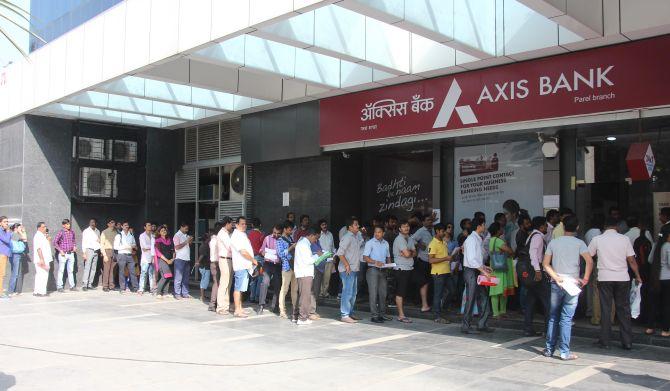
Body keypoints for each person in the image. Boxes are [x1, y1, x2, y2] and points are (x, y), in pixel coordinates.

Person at [542, 215, 594, 360]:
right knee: (566, 318)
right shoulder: (580, 243)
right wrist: (585, 279)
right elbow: (589, 262)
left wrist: (556, 277)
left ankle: (549, 349)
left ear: (563, 226)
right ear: (577, 227)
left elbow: (545, 264)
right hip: (572, 283)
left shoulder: (554, 242)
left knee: (553, 316)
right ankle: (564, 352)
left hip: (556, 283)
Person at [589, 217, 642, 350]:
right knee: (623, 309)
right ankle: (627, 342)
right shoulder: (624, 239)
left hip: (605, 277)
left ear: (604, 226)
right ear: (617, 227)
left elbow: (588, 256)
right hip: (622, 278)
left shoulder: (597, 239)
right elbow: (631, 260)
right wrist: (637, 275)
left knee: (606, 309)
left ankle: (605, 341)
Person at [461, 216, 494, 334]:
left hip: (476, 270)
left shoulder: (477, 239)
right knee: (471, 298)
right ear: (479, 226)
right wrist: (484, 270)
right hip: (471, 271)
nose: (485, 227)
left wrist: (484, 267)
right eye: (483, 225)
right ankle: (466, 325)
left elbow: (476, 258)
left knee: (483, 297)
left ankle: (482, 324)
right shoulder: (471, 239)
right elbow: (471, 260)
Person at [522, 216, 550, 336]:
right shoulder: (537, 237)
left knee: (530, 301)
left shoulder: (532, 235)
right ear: (541, 226)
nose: (547, 227)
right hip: (536, 272)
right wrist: (538, 271)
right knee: (547, 300)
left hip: (532, 272)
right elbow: (533, 254)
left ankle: (528, 328)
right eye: (545, 225)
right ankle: (549, 329)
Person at [229, 216, 258, 318]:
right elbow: (243, 251)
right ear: (236, 225)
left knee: (241, 288)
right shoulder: (236, 236)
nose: (244, 225)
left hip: (245, 265)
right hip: (241, 265)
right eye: (242, 224)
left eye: (245, 224)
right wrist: (253, 260)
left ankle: (240, 307)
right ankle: (237, 310)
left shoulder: (243, 234)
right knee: (238, 288)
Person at [337, 217, 363, 323]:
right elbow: (339, 253)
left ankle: (350, 313)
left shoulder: (356, 236)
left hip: (354, 269)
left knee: (353, 293)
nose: (358, 226)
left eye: (358, 224)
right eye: (356, 225)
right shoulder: (347, 237)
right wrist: (347, 265)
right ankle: (344, 315)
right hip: (347, 270)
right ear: (350, 227)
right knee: (347, 292)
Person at [646, 224, 670, 337]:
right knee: (666, 304)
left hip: (656, 278)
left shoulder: (656, 244)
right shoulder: (668, 246)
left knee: (654, 304)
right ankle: (665, 330)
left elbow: (650, 260)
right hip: (667, 279)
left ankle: (650, 327)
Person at [488, 222, 516, 319]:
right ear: (497, 230)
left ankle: (497, 312)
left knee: (495, 290)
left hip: (494, 268)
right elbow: (510, 251)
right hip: (502, 268)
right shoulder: (499, 241)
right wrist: (511, 252)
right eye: (500, 228)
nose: (502, 230)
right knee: (502, 291)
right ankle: (500, 312)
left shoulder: (491, 240)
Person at [364, 226, 391, 323]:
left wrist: (389, 265)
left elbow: (388, 257)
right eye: (375, 232)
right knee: (373, 294)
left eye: (379, 232)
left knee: (383, 294)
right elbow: (365, 257)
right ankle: (374, 316)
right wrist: (375, 262)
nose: (377, 234)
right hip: (372, 270)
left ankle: (382, 314)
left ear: (383, 233)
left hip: (383, 270)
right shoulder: (370, 243)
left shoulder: (386, 243)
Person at [429, 223, 455, 324]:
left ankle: (442, 308)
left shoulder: (444, 242)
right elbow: (430, 260)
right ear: (437, 231)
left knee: (452, 290)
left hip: (446, 271)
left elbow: (445, 256)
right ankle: (437, 315)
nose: (445, 233)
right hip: (438, 273)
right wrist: (445, 258)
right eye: (443, 231)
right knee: (438, 294)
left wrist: (451, 257)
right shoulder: (433, 243)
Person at [293, 228, 320, 325]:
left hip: (303, 273)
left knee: (302, 295)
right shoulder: (304, 245)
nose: (315, 241)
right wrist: (318, 256)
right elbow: (308, 260)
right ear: (311, 235)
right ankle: (302, 318)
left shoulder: (303, 243)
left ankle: (296, 316)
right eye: (315, 238)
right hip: (305, 273)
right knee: (305, 297)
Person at [393, 220, 416, 323]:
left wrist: (408, 253)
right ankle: (401, 315)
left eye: (407, 226)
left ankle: (402, 314)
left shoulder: (410, 238)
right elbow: (407, 254)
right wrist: (408, 253)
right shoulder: (399, 239)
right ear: (399, 229)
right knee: (400, 292)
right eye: (403, 226)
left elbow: (414, 253)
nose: (406, 228)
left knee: (404, 292)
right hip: (401, 269)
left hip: (409, 268)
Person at [411, 214, 435, 312]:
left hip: (432, 261)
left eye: (431, 220)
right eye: (428, 220)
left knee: (430, 283)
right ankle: (422, 303)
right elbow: (411, 239)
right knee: (423, 283)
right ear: (423, 222)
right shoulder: (421, 231)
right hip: (423, 260)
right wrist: (420, 245)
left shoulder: (433, 230)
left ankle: (428, 303)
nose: (430, 222)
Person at [258, 224, 282, 314]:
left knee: (277, 285)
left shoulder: (282, 240)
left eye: (278, 233)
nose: (275, 235)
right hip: (268, 264)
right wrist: (263, 252)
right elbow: (261, 249)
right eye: (274, 232)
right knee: (265, 283)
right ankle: (261, 305)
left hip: (277, 265)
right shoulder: (267, 238)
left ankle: (275, 306)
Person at [277, 221, 298, 319]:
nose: (291, 231)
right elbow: (281, 254)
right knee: (284, 289)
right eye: (290, 230)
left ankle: (295, 309)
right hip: (286, 267)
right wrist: (291, 248)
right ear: (285, 229)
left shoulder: (291, 238)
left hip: (294, 266)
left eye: (292, 230)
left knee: (294, 289)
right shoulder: (279, 240)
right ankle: (282, 310)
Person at [216, 217, 234, 315]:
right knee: (224, 284)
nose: (232, 226)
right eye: (231, 224)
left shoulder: (226, 233)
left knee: (228, 283)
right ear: (227, 224)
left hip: (229, 260)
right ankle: (220, 307)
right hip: (224, 260)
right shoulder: (222, 234)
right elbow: (230, 247)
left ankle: (226, 306)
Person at [114, 221, 138, 293]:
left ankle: (135, 288)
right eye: (125, 225)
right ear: (122, 226)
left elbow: (134, 243)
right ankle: (122, 288)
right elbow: (116, 247)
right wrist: (127, 246)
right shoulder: (119, 235)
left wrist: (133, 247)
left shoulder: (131, 234)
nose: (126, 226)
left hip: (129, 255)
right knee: (121, 271)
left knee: (133, 271)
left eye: (127, 225)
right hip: (122, 255)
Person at [173, 222, 193, 299]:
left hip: (186, 258)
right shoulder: (177, 235)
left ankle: (185, 293)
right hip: (180, 258)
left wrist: (190, 241)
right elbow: (177, 247)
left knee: (186, 277)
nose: (187, 230)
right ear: (181, 227)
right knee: (178, 277)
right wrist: (186, 242)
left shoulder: (185, 235)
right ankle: (177, 293)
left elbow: (188, 245)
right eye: (186, 228)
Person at [154, 225, 175, 299]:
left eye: (165, 230)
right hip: (161, 260)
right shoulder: (157, 240)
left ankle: (165, 293)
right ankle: (158, 292)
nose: (164, 231)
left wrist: (172, 259)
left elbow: (173, 250)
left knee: (169, 276)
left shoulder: (169, 240)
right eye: (162, 230)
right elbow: (158, 253)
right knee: (165, 276)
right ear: (159, 232)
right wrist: (167, 260)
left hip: (170, 260)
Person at [247, 218, 264, 303]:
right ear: (260, 225)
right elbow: (263, 248)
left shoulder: (248, 234)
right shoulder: (261, 235)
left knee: (252, 278)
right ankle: (257, 297)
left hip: (250, 258)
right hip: (260, 258)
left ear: (252, 225)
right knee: (260, 278)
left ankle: (251, 297)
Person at [32, 222, 52, 297]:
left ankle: (37, 291)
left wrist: (48, 240)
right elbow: (38, 248)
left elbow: (46, 247)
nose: (45, 228)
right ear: (39, 228)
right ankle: (41, 292)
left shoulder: (42, 236)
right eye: (43, 227)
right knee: (43, 275)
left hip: (44, 259)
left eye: (45, 227)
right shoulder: (38, 236)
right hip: (41, 259)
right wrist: (41, 259)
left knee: (40, 275)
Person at [81, 218, 101, 291]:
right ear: (89, 223)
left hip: (96, 250)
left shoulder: (97, 231)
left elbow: (99, 240)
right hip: (89, 250)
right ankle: (84, 285)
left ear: (96, 223)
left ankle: (90, 284)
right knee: (87, 267)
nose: (92, 223)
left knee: (93, 268)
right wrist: (84, 252)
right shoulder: (86, 231)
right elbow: (84, 242)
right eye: (91, 222)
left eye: (94, 222)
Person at [317, 219, 335, 298]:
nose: (324, 226)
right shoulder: (318, 235)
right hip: (320, 258)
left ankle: (325, 292)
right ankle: (320, 292)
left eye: (325, 224)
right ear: (320, 226)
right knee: (320, 275)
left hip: (329, 258)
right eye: (322, 225)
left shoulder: (330, 234)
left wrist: (334, 257)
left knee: (327, 277)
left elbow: (333, 247)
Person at [99, 218, 117, 292]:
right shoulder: (104, 232)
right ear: (108, 224)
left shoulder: (116, 232)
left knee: (113, 269)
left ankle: (111, 285)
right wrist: (104, 255)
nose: (113, 224)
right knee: (106, 269)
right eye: (111, 222)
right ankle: (105, 286)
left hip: (115, 251)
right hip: (107, 250)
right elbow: (101, 244)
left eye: (113, 222)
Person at [138, 221, 156, 295]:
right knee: (143, 273)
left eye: (150, 225)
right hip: (145, 258)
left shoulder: (153, 235)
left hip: (152, 257)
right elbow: (144, 247)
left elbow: (154, 246)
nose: (150, 226)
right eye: (148, 225)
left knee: (151, 273)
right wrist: (152, 247)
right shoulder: (142, 236)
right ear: (145, 227)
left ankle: (152, 288)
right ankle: (141, 289)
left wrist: (151, 248)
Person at [207, 222, 221, 312]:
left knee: (216, 283)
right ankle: (213, 303)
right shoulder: (217, 240)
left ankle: (213, 303)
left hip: (213, 263)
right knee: (217, 284)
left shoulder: (212, 240)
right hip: (217, 263)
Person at [197, 231, 212, 303]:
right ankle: (202, 296)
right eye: (209, 237)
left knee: (204, 281)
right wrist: (198, 262)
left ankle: (203, 295)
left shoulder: (204, 245)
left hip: (204, 266)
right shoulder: (204, 246)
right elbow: (202, 255)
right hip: (204, 266)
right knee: (204, 281)